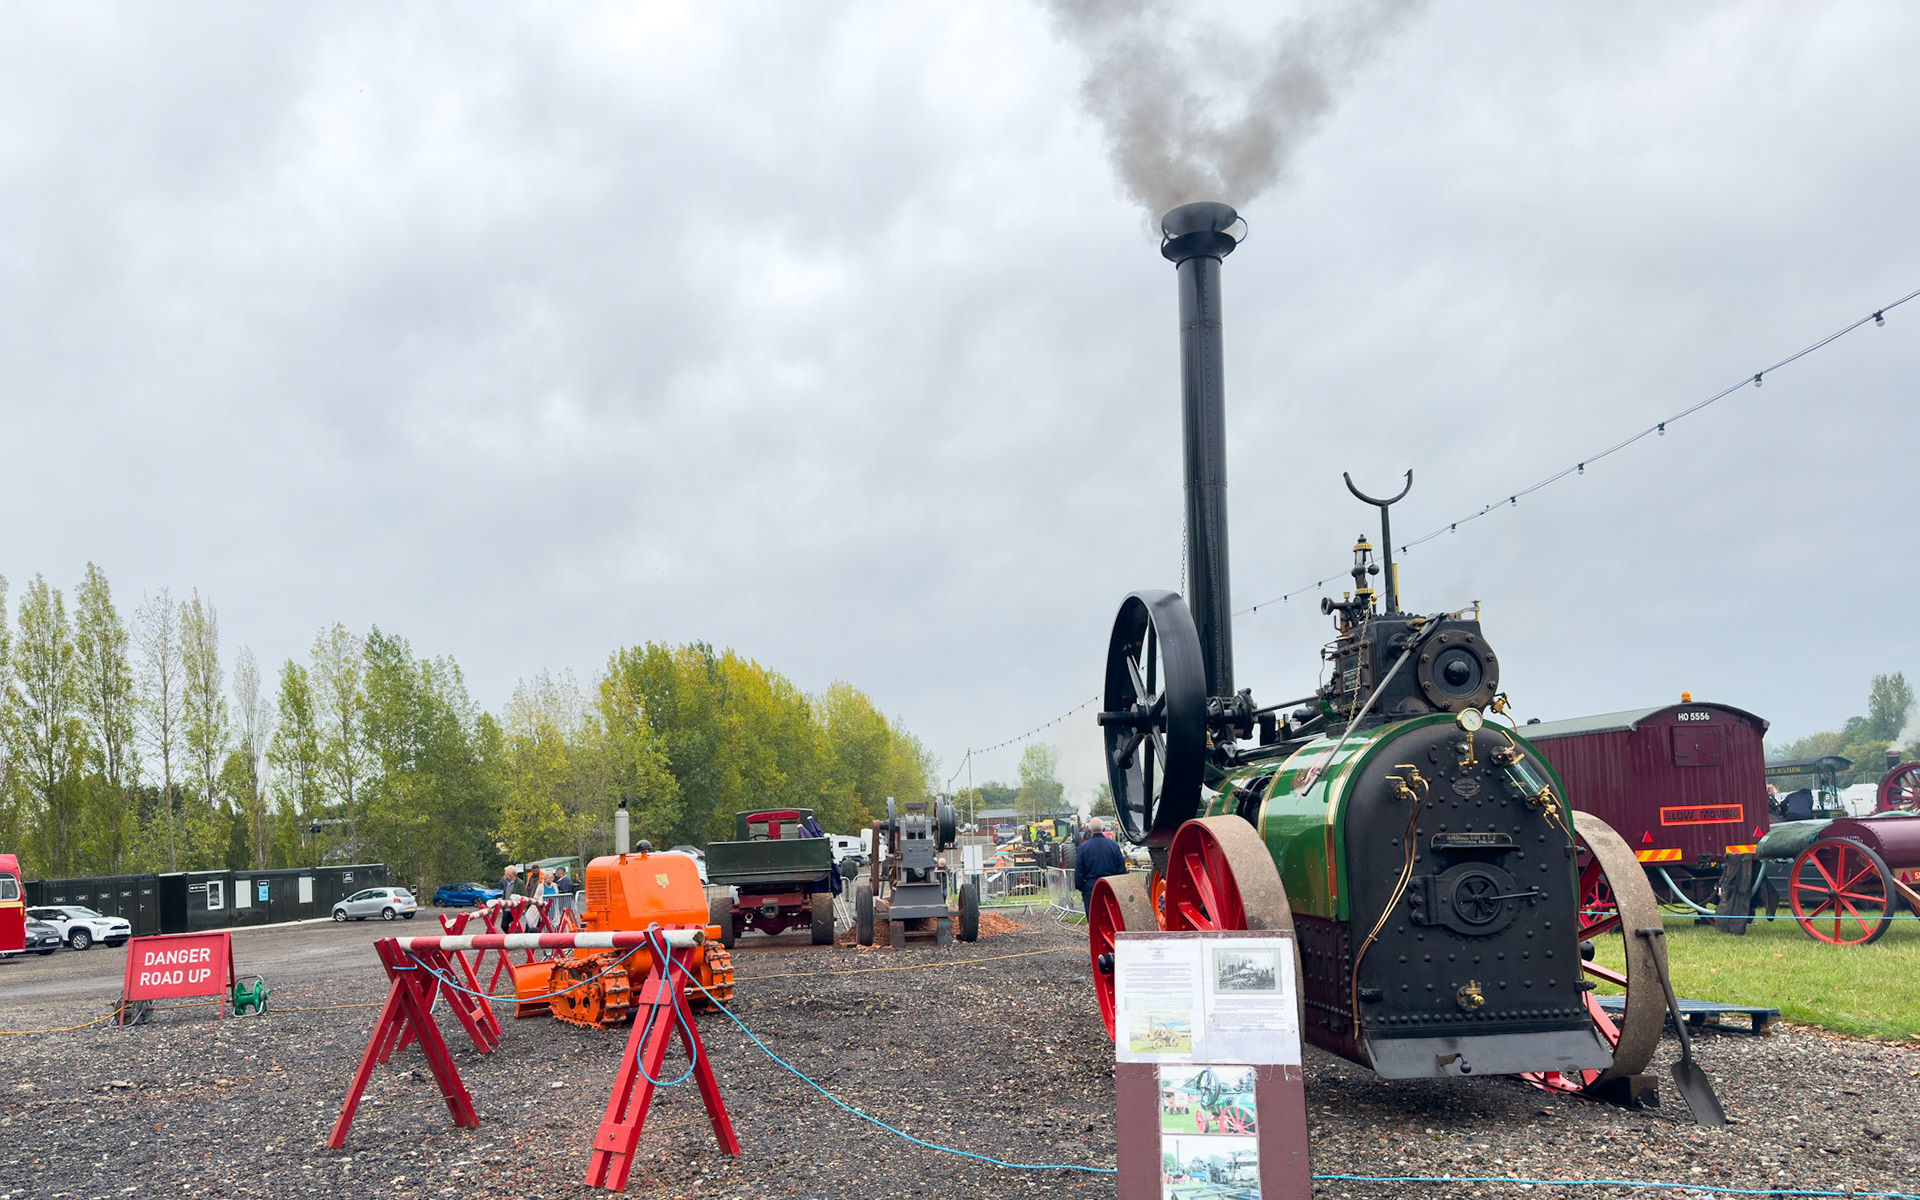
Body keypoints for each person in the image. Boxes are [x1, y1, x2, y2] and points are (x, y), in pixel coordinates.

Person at [1073, 817, 1127, 913]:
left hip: (1091, 887)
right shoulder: (1114, 845)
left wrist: (1081, 887)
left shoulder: (1083, 847)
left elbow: (1079, 871)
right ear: (1104, 829)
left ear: (1089, 831)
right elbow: (1121, 868)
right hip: (1111, 886)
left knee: (1093, 916)